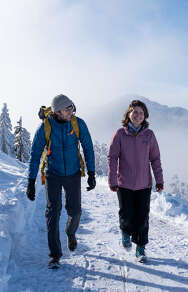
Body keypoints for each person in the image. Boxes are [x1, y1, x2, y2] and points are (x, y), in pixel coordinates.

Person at [26, 94, 96, 269]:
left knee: (75, 211)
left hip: (73, 173)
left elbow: (88, 147)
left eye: (72, 107)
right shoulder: (45, 127)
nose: (71, 111)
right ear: (57, 112)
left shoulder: (78, 123)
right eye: (67, 109)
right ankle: (55, 255)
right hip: (53, 174)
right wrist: (31, 181)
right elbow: (35, 156)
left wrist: (92, 172)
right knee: (53, 212)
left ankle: (70, 233)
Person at [108, 99, 163, 262]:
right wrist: (112, 180)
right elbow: (112, 157)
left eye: (141, 112)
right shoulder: (120, 134)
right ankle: (125, 232)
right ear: (128, 114)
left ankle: (140, 248)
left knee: (142, 218)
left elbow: (155, 159)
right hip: (124, 183)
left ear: (145, 116)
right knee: (126, 214)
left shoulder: (149, 135)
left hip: (144, 184)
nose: (138, 115)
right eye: (135, 112)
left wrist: (159, 180)